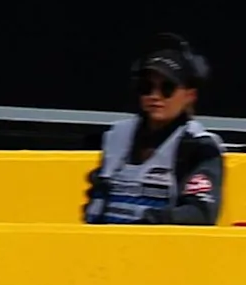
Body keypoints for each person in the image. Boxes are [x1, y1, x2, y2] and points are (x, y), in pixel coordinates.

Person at [85, 34, 227, 225]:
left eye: (167, 88)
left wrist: (150, 222)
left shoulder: (199, 146)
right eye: (147, 87)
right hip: (107, 248)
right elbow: (95, 202)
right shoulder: (116, 136)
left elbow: (200, 213)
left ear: (189, 95)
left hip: (161, 251)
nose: (155, 95)